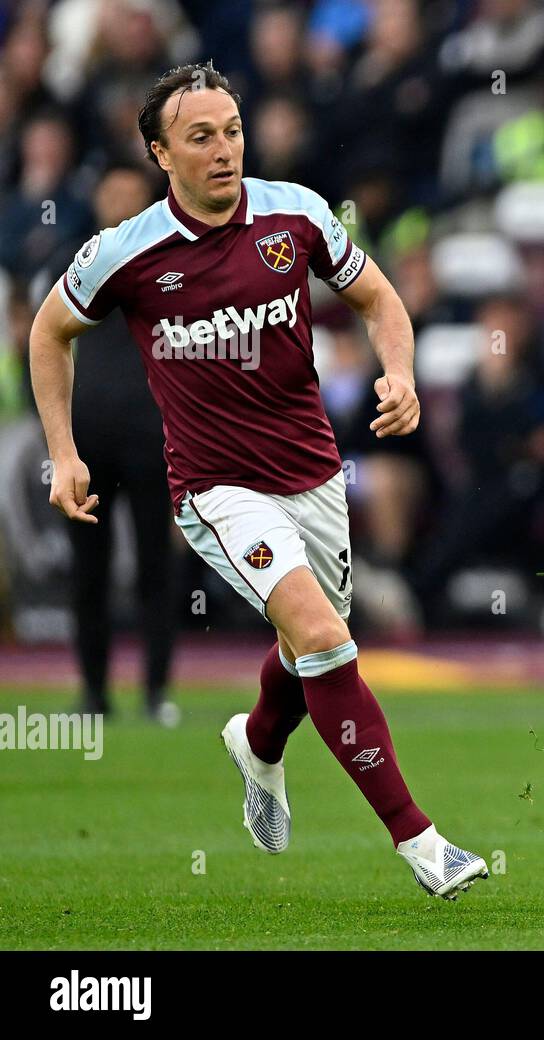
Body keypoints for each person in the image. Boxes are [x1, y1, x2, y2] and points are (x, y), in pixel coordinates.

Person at [28, 61, 486, 901]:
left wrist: (401, 375)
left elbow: (381, 300)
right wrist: (63, 452)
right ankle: (423, 844)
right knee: (321, 637)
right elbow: (49, 331)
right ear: (161, 154)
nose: (224, 149)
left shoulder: (297, 214)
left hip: (313, 474)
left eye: (232, 130)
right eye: (200, 136)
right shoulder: (126, 254)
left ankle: (259, 744)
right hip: (215, 487)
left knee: (313, 649)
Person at [67, 163, 179, 724]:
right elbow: (43, 345)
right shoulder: (73, 265)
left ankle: (156, 691)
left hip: (153, 440)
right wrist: (59, 443)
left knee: (155, 566)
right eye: (112, 192)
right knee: (89, 568)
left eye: (130, 194)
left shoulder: (170, 264)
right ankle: (93, 691)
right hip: (85, 442)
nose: (119, 203)